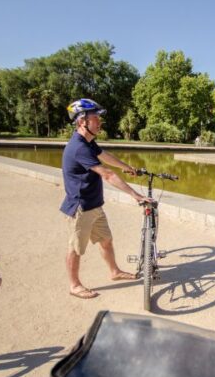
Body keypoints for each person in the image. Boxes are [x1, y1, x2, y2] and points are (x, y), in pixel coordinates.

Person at [60, 98, 149, 299]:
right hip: (81, 208)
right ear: (82, 121)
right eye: (95, 118)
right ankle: (74, 285)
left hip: (94, 205)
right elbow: (107, 174)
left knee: (106, 240)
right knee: (75, 248)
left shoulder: (88, 142)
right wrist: (135, 195)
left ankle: (114, 272)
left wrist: (126, 166)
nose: (99, 122)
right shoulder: (78, 148)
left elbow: (104, 155)